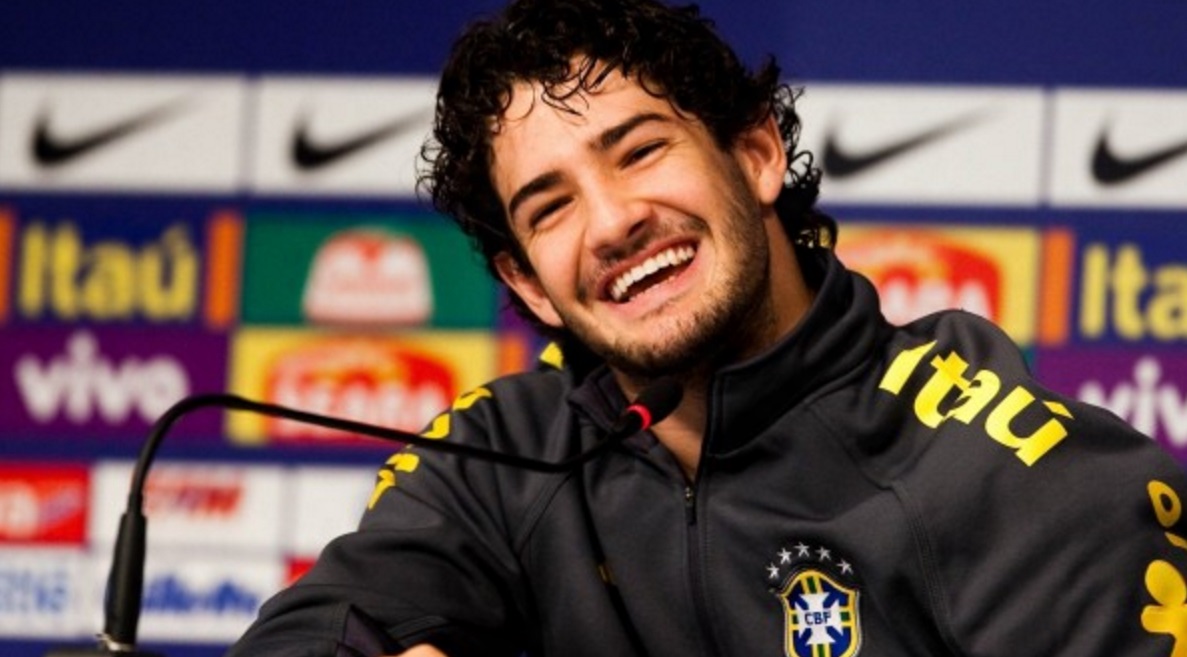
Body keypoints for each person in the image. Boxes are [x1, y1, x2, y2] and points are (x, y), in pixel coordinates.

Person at [227, 0, 1187, 655]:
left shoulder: (1009, 477)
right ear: (526, 283)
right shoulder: (500, 456)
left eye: (640, 150)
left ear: (756, 152)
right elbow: (306, 631)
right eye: (550, 206)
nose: (611, 222)